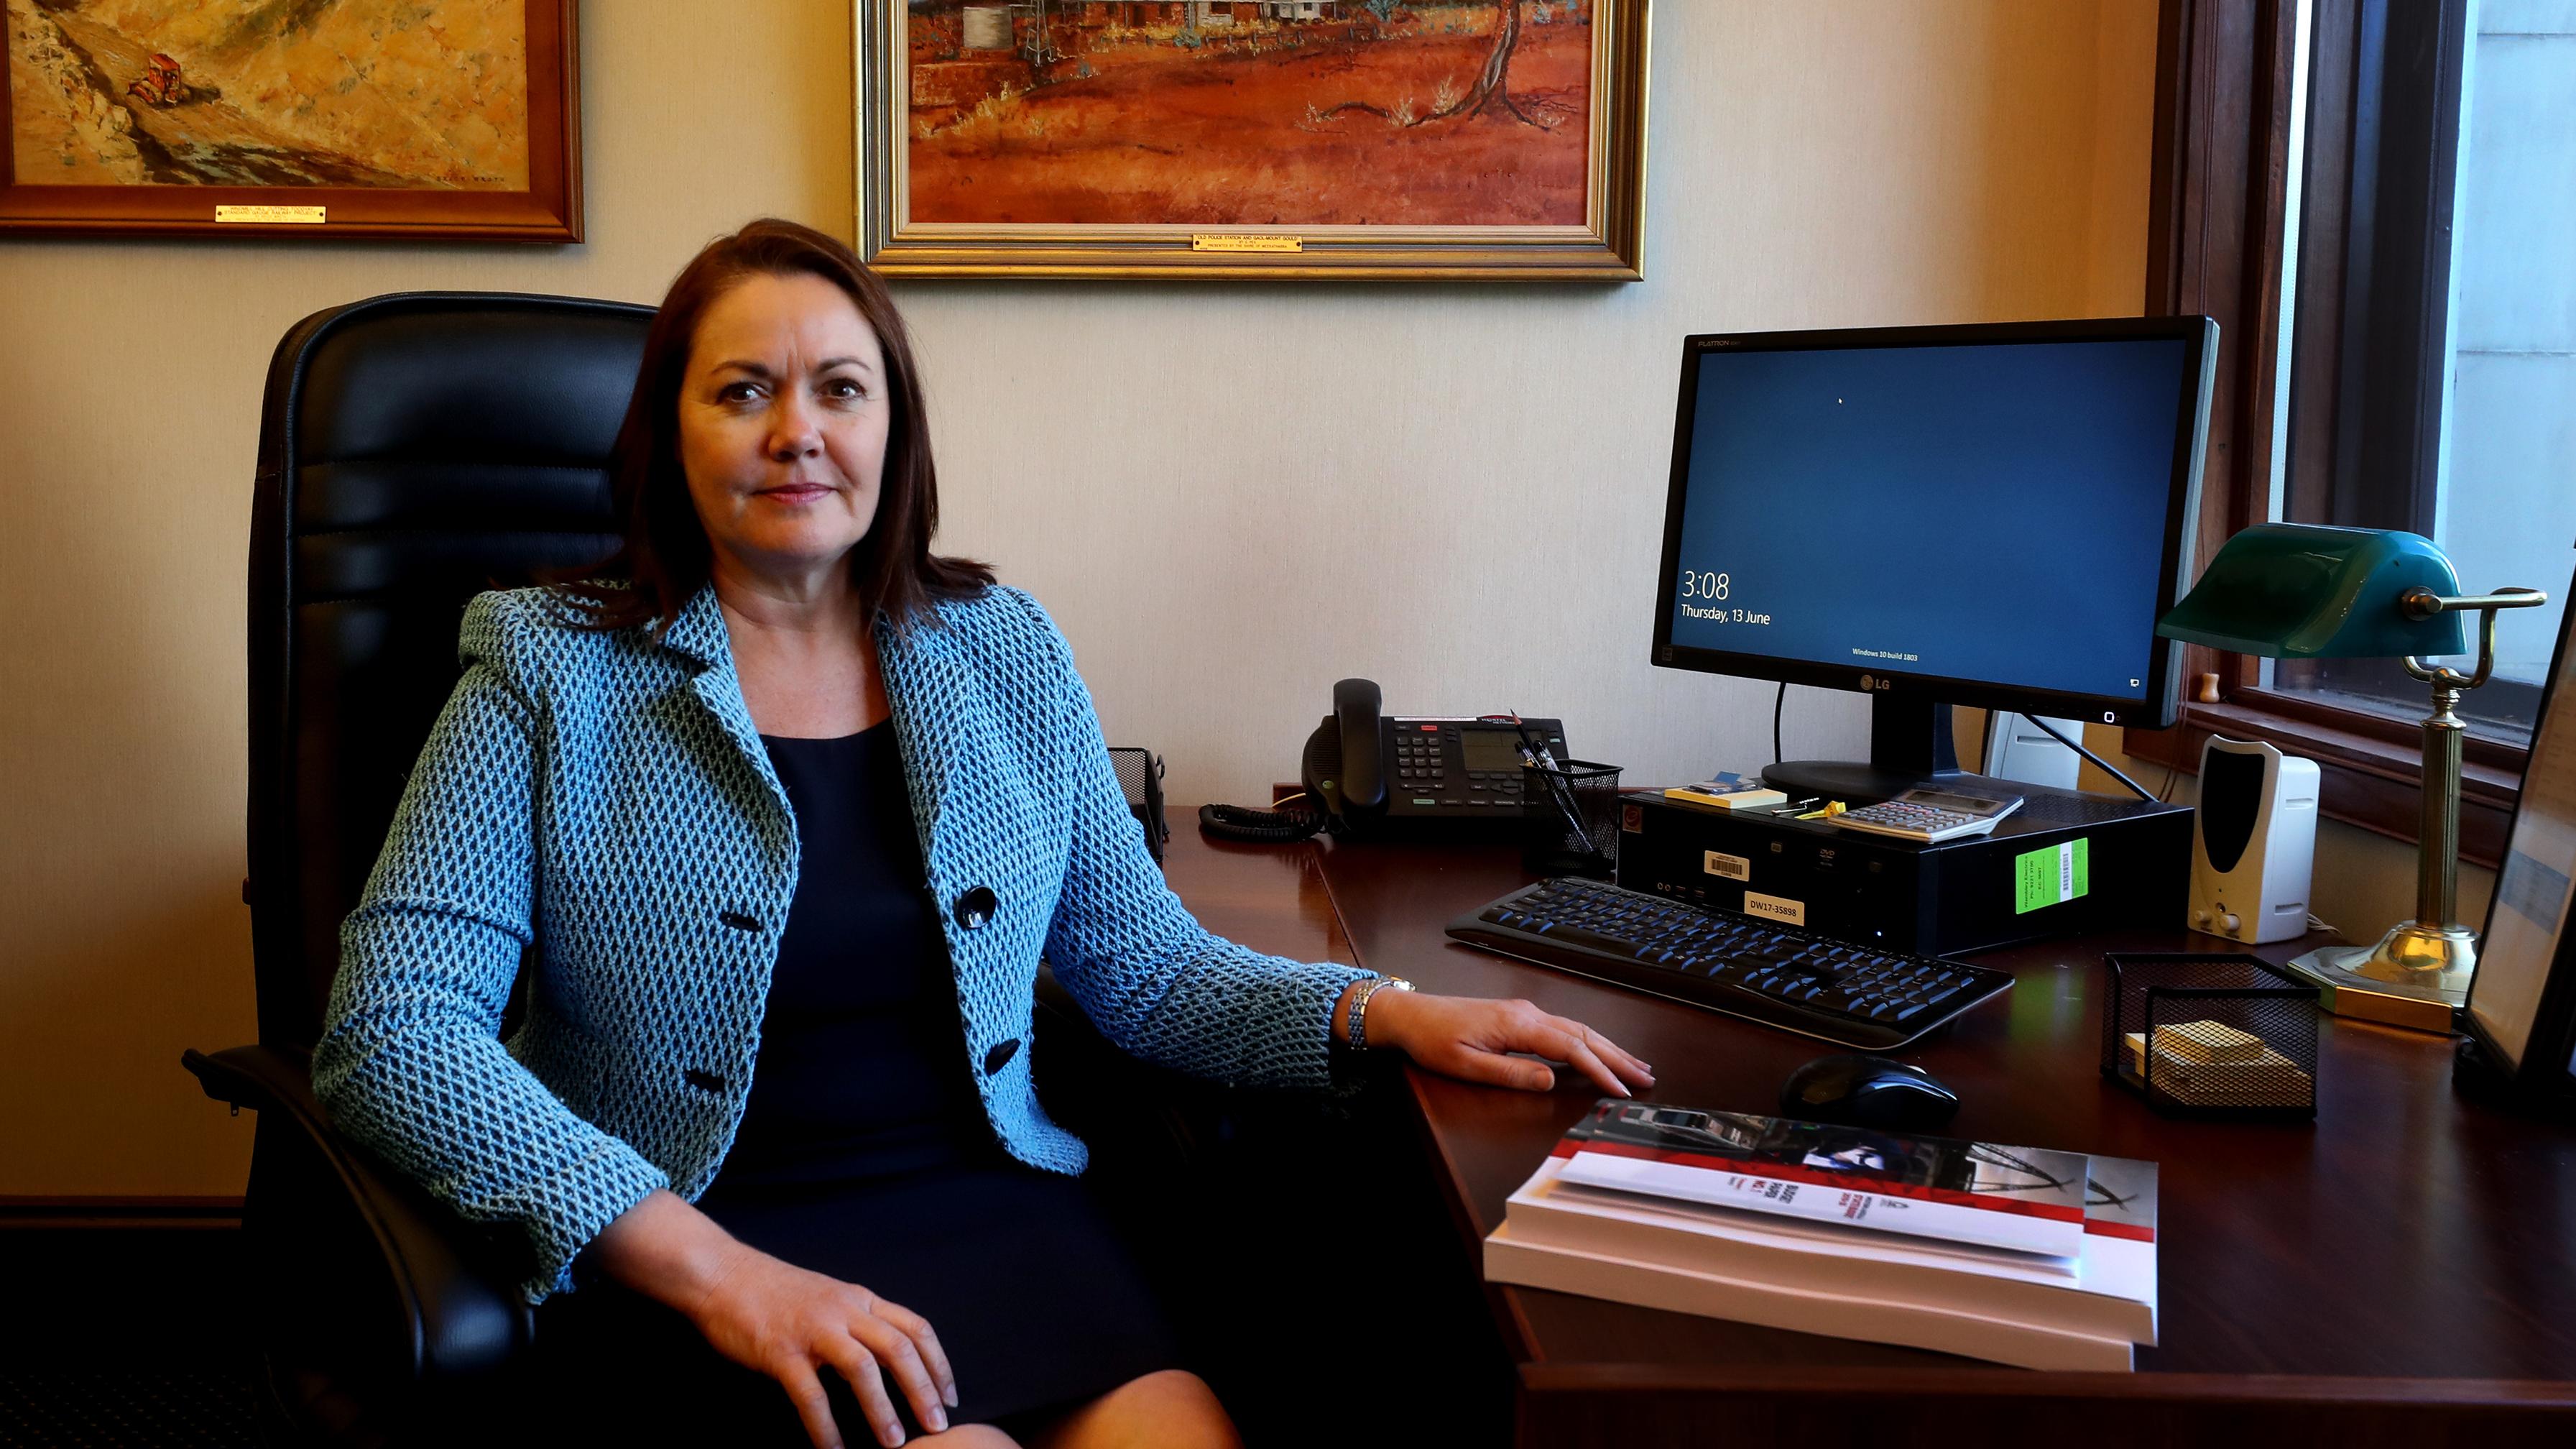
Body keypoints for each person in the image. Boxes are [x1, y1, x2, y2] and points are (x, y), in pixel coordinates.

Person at [313, 217, 1654, 1449]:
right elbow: (393, 1033)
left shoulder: (1001, 652)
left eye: (841, 388)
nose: (797, 431)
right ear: (669, 434)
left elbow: (1148, 972)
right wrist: (723, 1280)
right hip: (694, 1241)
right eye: (741, 392)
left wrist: (1380, 1012)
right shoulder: (547, 668)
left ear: (894, 428)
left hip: (996, 1210)